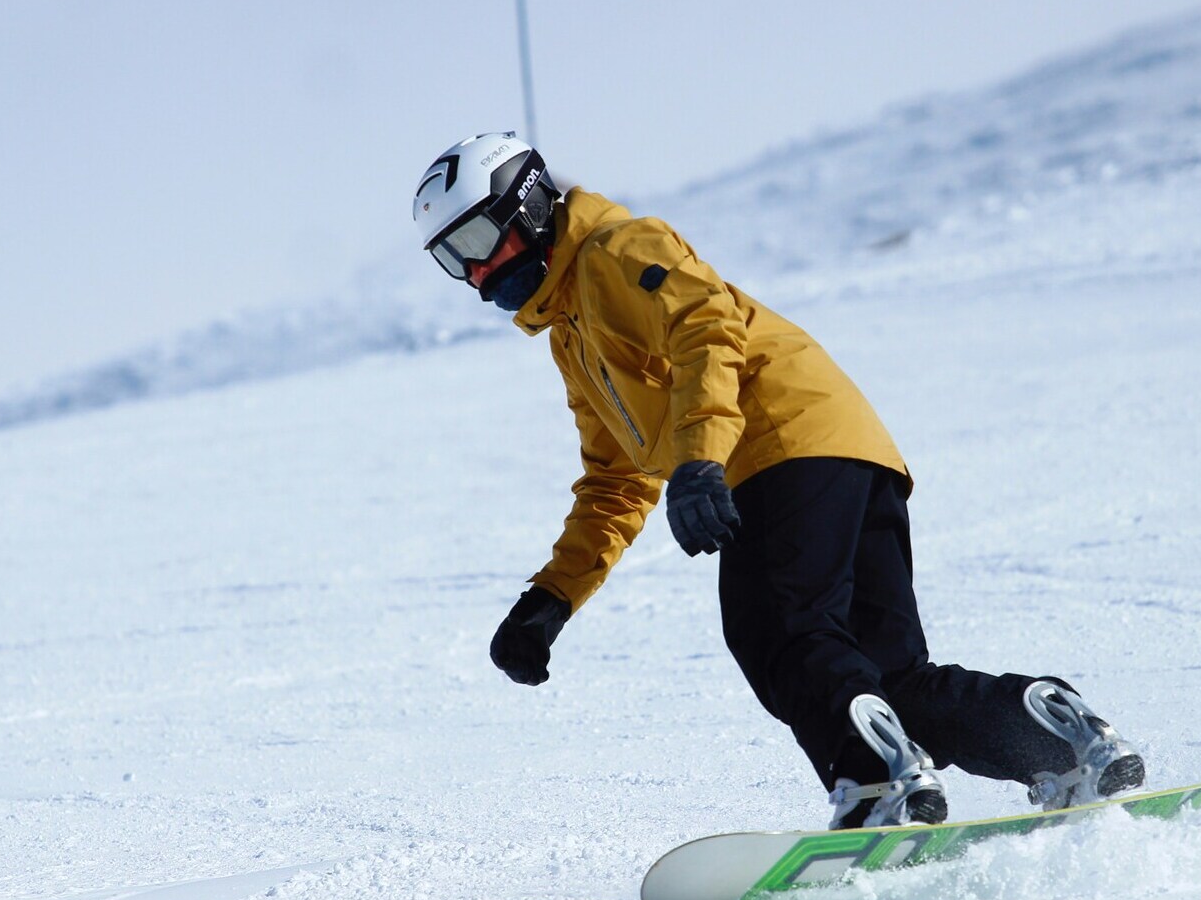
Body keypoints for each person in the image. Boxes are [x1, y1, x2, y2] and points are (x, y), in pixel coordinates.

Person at [414, 132, 1144, 829]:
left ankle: (877, 780)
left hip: (778, 446)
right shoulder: (573, 337)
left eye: (478, 243)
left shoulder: (615, 248)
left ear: (531, 204)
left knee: (781, 632)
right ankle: (1056, 739)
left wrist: (701, 459)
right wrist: (551, 598)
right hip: (848, 449)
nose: (477, 274)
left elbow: (704, 324)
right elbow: (614, 481)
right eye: (455, 260)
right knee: (887, 679)